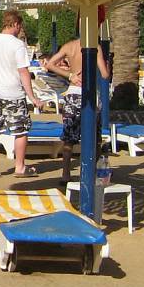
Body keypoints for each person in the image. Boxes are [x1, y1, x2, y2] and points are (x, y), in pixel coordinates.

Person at [0, 10, 42, 178]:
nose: (20, 29)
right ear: (15, 24)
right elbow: (23, 72)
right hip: (13, 93)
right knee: (20, 131)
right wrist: (32, 97)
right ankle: (20, 167)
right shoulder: (17, 45)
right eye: (20, 26)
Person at [43, 36, 110, 184]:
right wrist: (108, 64)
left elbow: (50, 64)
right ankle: (90, 173)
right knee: (94, 138)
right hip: (89, 93)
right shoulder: (95, 46)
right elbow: (105, 74)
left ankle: (65, 174)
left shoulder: (69, 46)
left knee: (69, 138)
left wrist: (70, 75)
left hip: (73, 92)